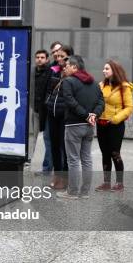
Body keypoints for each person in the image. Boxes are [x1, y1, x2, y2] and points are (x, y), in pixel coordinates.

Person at [57, 55, 104, 199]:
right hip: (89, 127)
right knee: (86, 159)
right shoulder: (94, 83)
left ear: (75, 67)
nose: (64, 68)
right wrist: (93, 116)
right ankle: (84, 193)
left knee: (73, 160)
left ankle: (72, 192)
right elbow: (102, 102)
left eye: (67, 66)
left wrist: (86, 115)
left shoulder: (68, 82)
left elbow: (70, 101)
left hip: (74, 125)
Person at [95, 60, 133, 192]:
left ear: (114, 71)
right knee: (105, 154)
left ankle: (119, 183)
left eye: (107, 69)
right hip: (101, 124)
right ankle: (106, 183)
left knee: (114, 153)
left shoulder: (124, 87)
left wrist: (116, 119)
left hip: (116, 125)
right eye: (103, 68)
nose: (103, 71)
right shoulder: (101, 85)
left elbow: (129, 107)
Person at [45, 44, 73, 189]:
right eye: (57, 56)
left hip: (65, 115)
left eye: (63, 56)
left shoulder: (72, 72)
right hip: (52, 113)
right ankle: (57, 175)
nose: (59, 59)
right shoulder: (54, 71)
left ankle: (65, 178)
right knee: (54, 146)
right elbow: (48, 90)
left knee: (65, 147)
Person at [34, 49, 52, 174]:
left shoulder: (50, 72)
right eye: (37, 57)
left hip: (46, 111)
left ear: (47, 59)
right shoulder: (33, 72)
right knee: (33, 138)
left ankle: (47, 168)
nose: (39, 59)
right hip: (35, 110)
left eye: (42, 57)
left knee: (47, 139)